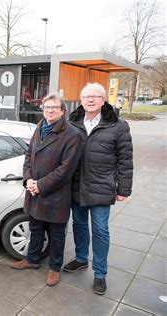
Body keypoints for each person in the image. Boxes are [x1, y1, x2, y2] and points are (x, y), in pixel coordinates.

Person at [63, 82, 133, 295]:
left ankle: (100, 273)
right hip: (76, 186)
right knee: (79, 225)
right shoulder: (72, 123)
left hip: (102, 187)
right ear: (81, 100)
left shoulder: (118, 126)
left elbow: (125, 159)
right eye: (86, 97)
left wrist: (124, 189)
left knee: (101, 231)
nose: (91, 100)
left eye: (95, 96)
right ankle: (82, 258)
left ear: (104, 100)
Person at [8, 94, 82, 286]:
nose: (49, 110)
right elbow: (29, 155)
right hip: (34, 191)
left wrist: (40, 185)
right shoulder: (39, 127)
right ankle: (32, 260)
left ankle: (54, 268)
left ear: (62, 111)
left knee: (57, 234)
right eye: (47, 107)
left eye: (54, 108)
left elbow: (66, 170)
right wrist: (28, 180)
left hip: (55, 194)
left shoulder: (72, 134)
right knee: (36, 228)